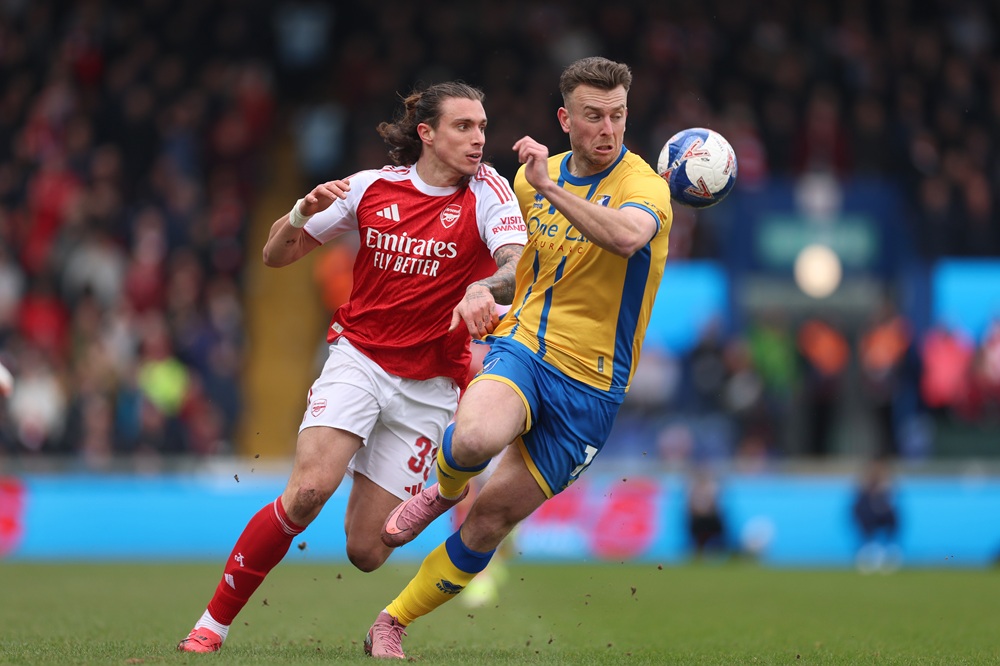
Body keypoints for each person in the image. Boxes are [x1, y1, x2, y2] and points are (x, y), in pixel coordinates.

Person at [176, 81, 526, 652]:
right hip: (359, 358)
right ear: (427, 134)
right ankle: (210, 627)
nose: (479, 139)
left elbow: (515, 264)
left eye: (483, 126)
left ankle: (427, 508)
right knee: (309, 490)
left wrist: (484, 287)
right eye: (464, 126)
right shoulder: (369, 189)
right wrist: (298, 212)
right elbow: (275, 254)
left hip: (430, 384)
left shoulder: (487, 192)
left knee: (366, 552)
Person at [364, 56, 673, 659]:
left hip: (593, 391)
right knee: (475, 437)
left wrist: (552, 188)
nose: (607, 129)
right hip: (527, 347)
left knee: (491, 523)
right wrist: (484, 287)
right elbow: (521, 271)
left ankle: (391, 622)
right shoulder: (531, 180)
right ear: (565, 119)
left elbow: (627, 238)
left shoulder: (644, 186)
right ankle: (445, 490)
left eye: (618, 116)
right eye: (593, 116)